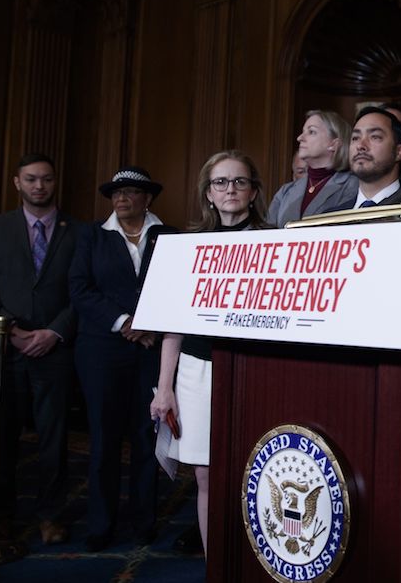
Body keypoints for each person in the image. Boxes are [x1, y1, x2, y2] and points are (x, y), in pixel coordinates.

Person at [149, 150, 271, 554]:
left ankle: (256, 564)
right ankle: (215, 566)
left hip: (255, 369)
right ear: (209, 194)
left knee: (257, 470)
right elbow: (173, 326)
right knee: (205, 473)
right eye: (221, 182)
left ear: (253, 192)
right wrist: (164, 388)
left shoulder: (275, 241)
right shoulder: (189, 246)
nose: (230, 189)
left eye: (239, 181)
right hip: (196, 370)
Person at [0, 153, 81, 545]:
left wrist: (54, 332)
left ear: (55, 183)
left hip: (54, 351)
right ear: (17, 183)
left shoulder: (78, 232)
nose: (40, 186)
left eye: (47, 179)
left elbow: (81, 291)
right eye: (32, 179)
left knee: (54, 440)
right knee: (2, 440)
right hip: (5, 350)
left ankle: (50, 516)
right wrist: (12, 329)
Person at [69, 166, 175, 551]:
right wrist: (126, 322)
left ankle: (143, 522)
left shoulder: (170, 236)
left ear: (148, 198)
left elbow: (176, 289)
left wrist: (149, 326)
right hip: (100, 352)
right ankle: (101, 523)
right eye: (116, 192)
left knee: (146, 438)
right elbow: (79, 289)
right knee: (104, 440)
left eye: (131, 191)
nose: (121, 198)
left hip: (151, 353)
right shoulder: (91, 235)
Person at [267, 110, 359, 227]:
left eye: (311, 132)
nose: (300, 138)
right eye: (302, 132)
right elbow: (267, 234)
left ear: (334, 144)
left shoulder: (353, 185)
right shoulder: (285, 192)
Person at [331, 107, 401, 209]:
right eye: (355, 138)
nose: (360, 146)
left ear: (399, 151)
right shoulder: (331, 219)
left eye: (375, 137)